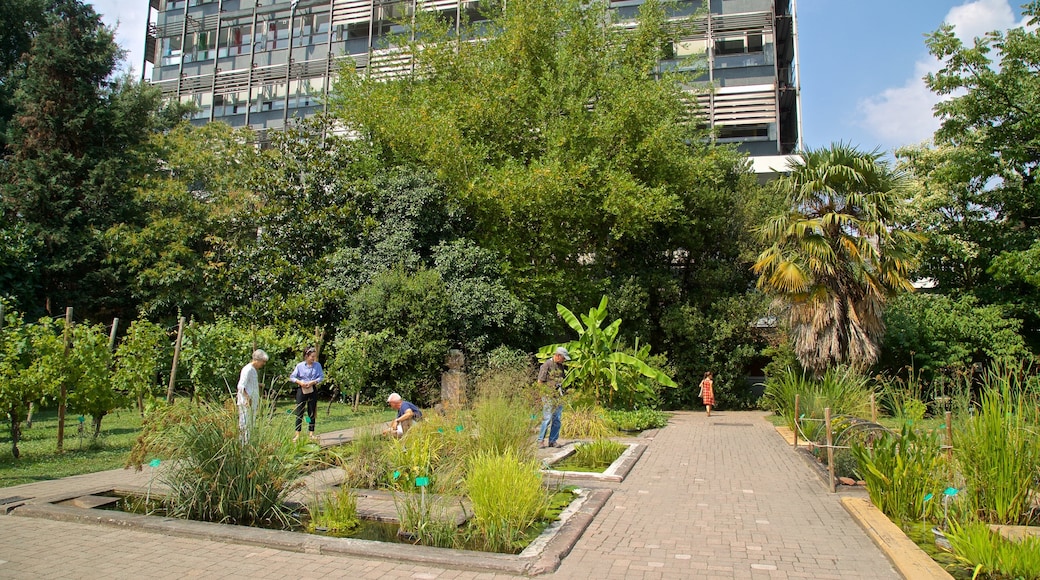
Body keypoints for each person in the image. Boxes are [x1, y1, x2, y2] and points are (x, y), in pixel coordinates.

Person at [537, 346, 570, 448]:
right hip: (548, 395)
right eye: (563, 358)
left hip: (558, 396)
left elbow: (562, 380)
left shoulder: (560, 366)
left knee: (557, 419)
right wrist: (543, 394)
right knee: (547, 418)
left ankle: (553, 440)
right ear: (558, 355)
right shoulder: (546, 365)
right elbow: (540, 382)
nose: (564, 360)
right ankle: (540, 440)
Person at [290, 346, 324, 442]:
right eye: (312, 357)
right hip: (302, 390)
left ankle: (311, 432)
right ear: (306, 356)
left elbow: (321, 377)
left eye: (314, 356)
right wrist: (300, 382)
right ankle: (297, 434)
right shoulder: (300, 366)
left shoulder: (317, 365)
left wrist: (313, 382)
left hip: (312, 389)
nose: (313, 358)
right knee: (300, 412)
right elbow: (292, 377)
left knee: (311, 412)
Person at [236, 349, 268, 443]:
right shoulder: (248, 369)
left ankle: (248, 442)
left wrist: (258, 384)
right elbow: (241, 386)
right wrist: (247, 398)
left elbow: (250, 383)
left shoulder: (254, 370)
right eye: (263, 362)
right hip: (246, 403)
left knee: (251, 423)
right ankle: (243, 444)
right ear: (257, 360)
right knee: (245, 424)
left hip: (253, 402)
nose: (263, 364)